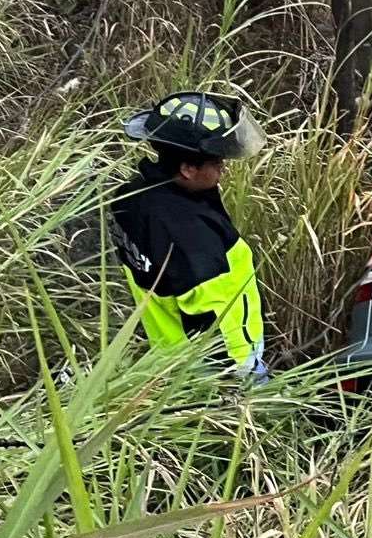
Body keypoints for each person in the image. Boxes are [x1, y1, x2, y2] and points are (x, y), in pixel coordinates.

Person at [110, 91, 268, 376]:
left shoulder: (130, 199)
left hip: (170, 352)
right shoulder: (188, 231)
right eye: (215, 162)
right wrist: (230, 375)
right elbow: (206, 314)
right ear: (187, 169)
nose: (223, 167)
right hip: (225, 362)